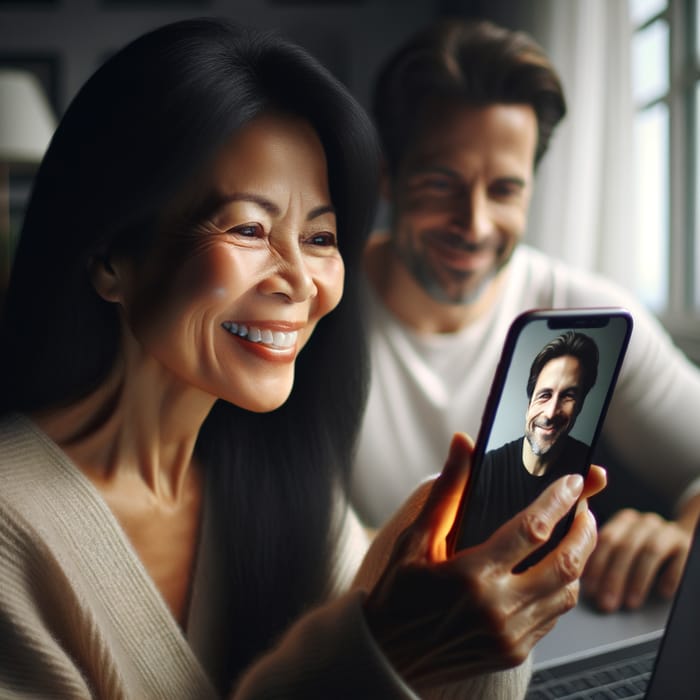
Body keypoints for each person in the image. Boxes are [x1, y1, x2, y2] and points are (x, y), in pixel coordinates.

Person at [0, 17, 604, 699]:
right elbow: (377, 667)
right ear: (112, 258)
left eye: (319, 236)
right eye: (250, 228)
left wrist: (475, 627)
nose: (300, 279)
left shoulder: (280, 485)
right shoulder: (13, 537)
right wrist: (385, 658)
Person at [350, 16, 700, 614]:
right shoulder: (309, 315)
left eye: (505, 190)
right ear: (388, 175)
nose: (476, 224)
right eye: (442, 184)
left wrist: (683, 529)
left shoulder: (590, 313)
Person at [459, 331, 599, 554]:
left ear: (580, 405)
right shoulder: (486, 470)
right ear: (529, 401)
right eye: (544, 395)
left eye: (568, 396)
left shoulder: (588, 472)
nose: (551, 412)